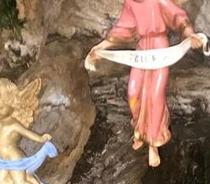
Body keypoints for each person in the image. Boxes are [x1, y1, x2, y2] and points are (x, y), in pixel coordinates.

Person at [87, 0, 203, 168]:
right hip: (141, 50)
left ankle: (154, 143)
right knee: (133, 92)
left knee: (155, 96)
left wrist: (189, 34)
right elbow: (123, 28)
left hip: (160, 49)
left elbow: (177, 16)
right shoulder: (131, 3)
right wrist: (102, 47)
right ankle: (140, 132)